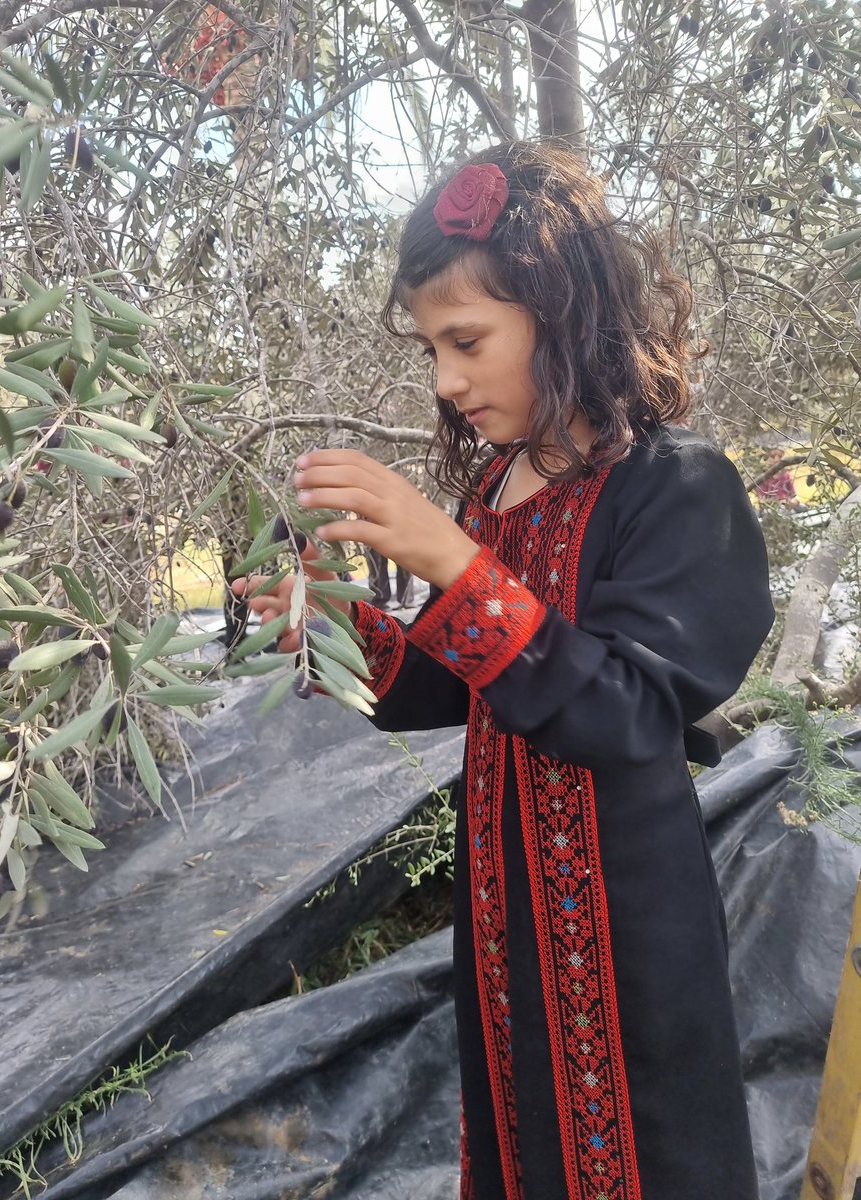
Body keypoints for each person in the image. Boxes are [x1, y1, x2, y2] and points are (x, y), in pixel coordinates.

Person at [231, 141, 774, 1200]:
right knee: (523, 1141)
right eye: (433, 347)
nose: (446, 379)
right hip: (504, 913)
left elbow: (624, 708)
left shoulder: (677, 489)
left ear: (564, 310)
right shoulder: (502, 484)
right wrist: (331, 627)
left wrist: (450, 558)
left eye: (468, 340)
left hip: (628, 929)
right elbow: (463, 681)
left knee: (641, 1154)